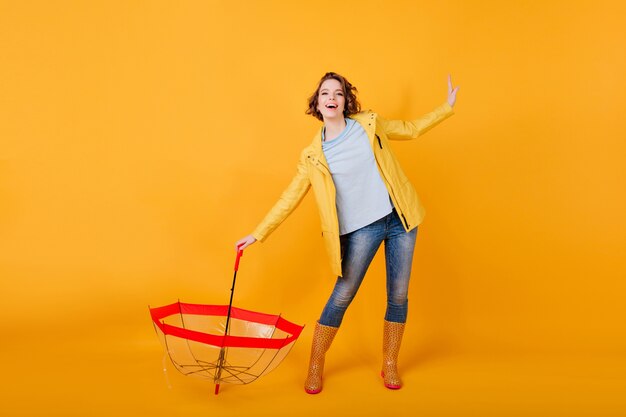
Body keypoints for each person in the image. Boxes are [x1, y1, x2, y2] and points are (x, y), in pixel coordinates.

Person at [235, 72, 458, 394]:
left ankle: (390, 363)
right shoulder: (313, 156)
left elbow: (409, 130)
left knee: (398, 296)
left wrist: (445, 107)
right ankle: (315, 364)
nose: (332, 98)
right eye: (325, 93)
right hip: (361, 229)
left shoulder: (368, 124)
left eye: (338, 93)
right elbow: (290, 197)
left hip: (401, 218)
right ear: (317, 103)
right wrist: (258, 233)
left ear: (345, 101)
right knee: (343, 294)